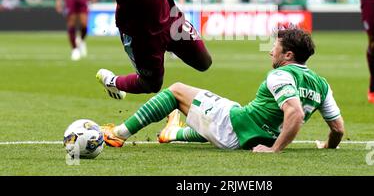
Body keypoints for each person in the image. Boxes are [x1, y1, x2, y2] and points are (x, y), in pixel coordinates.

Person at [101, 27, 345, 152]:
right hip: (250, 135)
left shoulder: (280, 74)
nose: (271, 51)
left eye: (276, 47)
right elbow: (338, 129)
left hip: (235, 128)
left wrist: (275, 150)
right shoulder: (322, 85)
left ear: (288, 55)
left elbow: (295, 113)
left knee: (175, 90)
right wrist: (327, 146)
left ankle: (119, 134)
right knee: (228, 109)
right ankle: (173, 133)